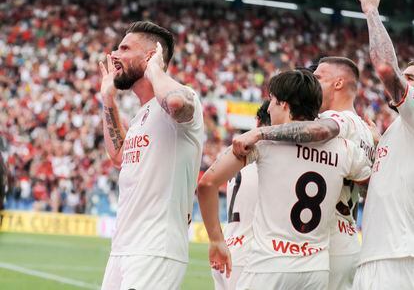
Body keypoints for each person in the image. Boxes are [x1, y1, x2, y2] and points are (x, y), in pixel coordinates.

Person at [198, 70, 371, 289]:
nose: (269, 108)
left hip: (269, 265)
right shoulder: (345, 149)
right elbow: (371, 187)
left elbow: (207, 184)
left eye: (272, 101)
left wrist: (216, 240)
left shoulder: (264, 144)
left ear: (285, 105)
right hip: (315, 269)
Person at [99, 21, 204, 290]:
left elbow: (178, 104)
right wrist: (108, 98)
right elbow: (119, 157)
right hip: (124, 246)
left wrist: (154, 69)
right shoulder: (141, 115)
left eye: (124, 48)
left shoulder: (181, 96)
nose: (114, 55)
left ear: (149, 55)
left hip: (155, 248)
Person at [352, 0, 414, 290]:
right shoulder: (397, 131)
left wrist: (371, 12)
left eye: (412, 78)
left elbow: (386, 69)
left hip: (398, 258)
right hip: (378, 255)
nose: (406, 80)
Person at [313, 57, 375, 290]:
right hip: (347, 235)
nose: (312, 82)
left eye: (318, 77)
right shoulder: (365, 130)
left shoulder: (335, 120)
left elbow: (320, 131)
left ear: (337, 84)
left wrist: (263, 134)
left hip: (326, 239)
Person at [211, 101, 271, 290]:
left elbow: (207, 184)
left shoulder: (233, 152)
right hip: (249, 254)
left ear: (257, 121)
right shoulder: (270, 154)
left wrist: (216, 239)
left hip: (228, 245)